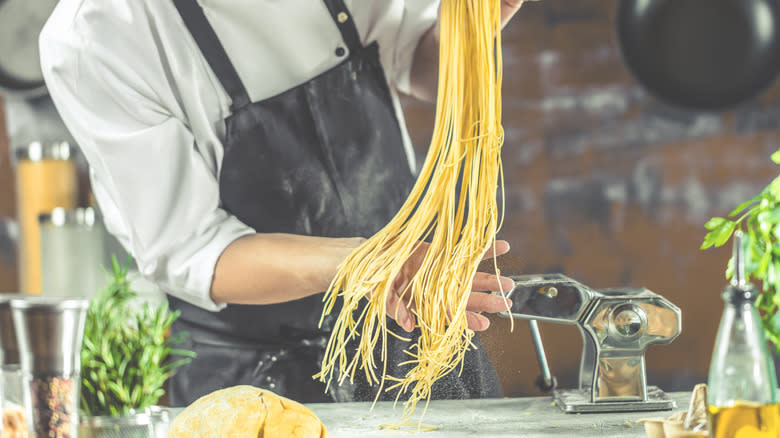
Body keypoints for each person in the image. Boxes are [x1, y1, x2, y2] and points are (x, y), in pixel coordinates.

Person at [39, 0, 530, 406]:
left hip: (407, 331)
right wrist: (363, 263)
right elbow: (195, 253)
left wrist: (479, 21)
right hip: (256, 381)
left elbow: (419, 64)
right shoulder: (96, 36)